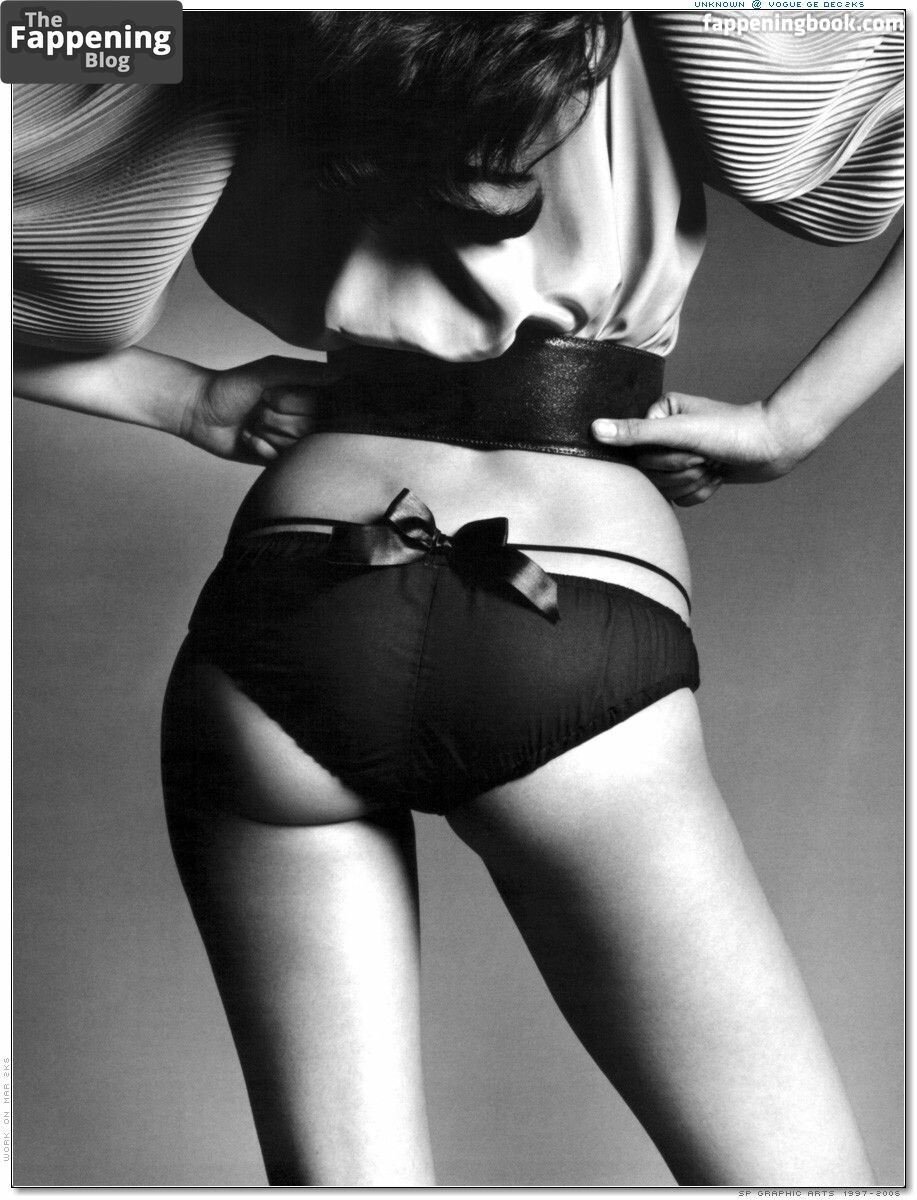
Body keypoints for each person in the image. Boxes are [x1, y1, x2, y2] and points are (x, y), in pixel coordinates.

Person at [13, 12, 903, 1187]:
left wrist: (182, 397)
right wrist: (793, 420)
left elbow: (32, 36)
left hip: (292, 588)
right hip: (567, 589)